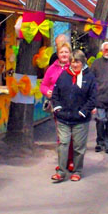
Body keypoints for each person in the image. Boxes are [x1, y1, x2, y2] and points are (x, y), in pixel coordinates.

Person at [50, 50, 97, 182]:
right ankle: (61, 172)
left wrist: (83, 112)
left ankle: (77, 170)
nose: (74, 64)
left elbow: (92, 98)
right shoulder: (64, 75)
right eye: (72, 61)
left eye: (77, 61)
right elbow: (55, 93)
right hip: (63, 117)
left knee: (78, 147)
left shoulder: (89, 77)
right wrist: (58, 108)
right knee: (63, 144)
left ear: (82, 62)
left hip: (80, 119)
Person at [40, 40, 75, 173]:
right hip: (57, 106)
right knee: (61, 135)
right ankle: (63, 161)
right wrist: (47, 91)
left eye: (66, 52)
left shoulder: (74, 66)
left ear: (70, 54)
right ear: (58, 54)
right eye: (61, 52)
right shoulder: (52, 68)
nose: (64, 54)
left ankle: (71, 160)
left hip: (72, 106)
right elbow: (43, 85)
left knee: (71, 135)